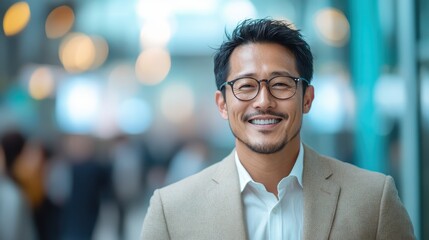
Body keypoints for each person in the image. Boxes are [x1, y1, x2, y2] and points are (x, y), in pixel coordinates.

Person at [140, 18, 415, 239]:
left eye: (281, 84)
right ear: (222, 104)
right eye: (246, 85)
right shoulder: (172, 210)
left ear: (307, 98)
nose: (263, 102)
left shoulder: (373, 198)